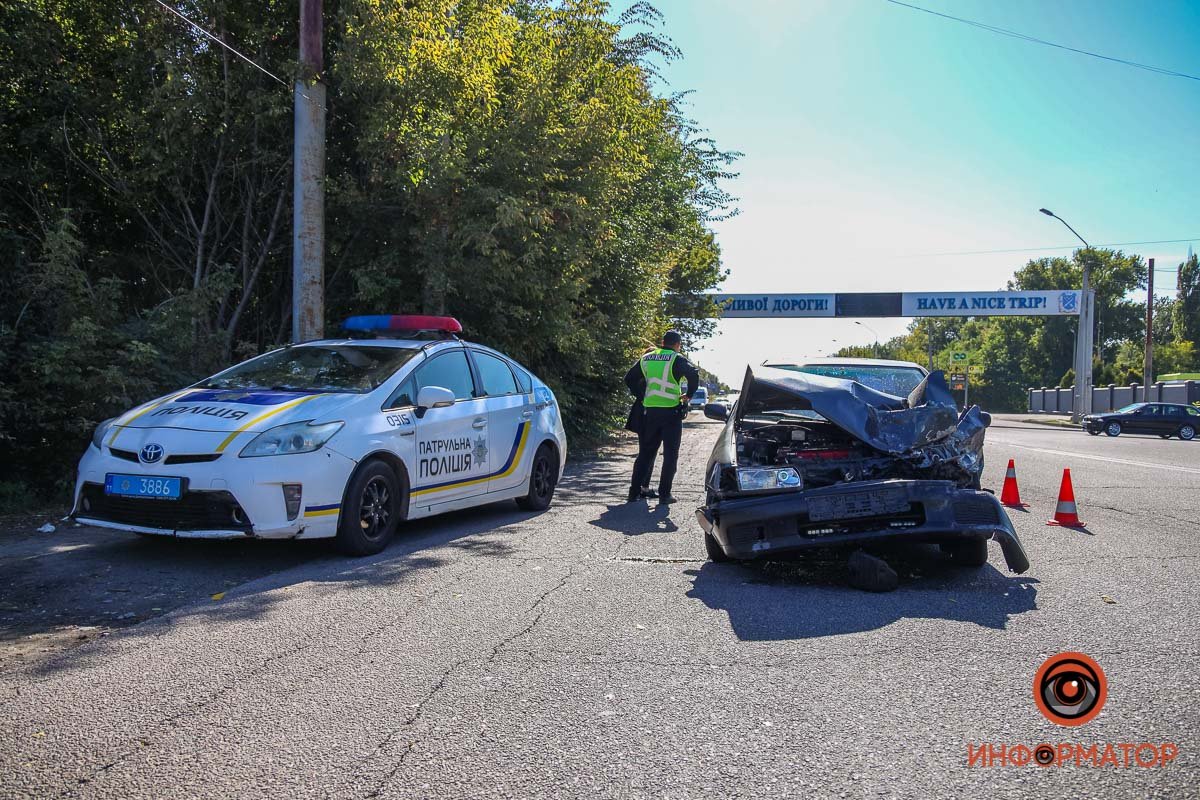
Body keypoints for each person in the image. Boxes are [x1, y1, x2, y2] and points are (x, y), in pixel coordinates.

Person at [625, 330, 700, 504]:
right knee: (670, 455)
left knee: (645, 454)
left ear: (662, 342)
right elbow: (693, 374)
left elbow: (629, 378)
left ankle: (633, 493)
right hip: (671, 413)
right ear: (677, 345)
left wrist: (642, 395)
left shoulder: (648, 357)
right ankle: (664, 495)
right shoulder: (676, 358)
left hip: (649, 412)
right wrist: (688, 395)